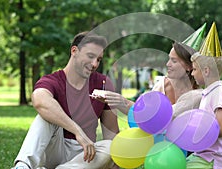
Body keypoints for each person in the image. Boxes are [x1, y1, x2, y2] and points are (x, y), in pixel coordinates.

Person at [12, 31, 119, 169]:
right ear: (74, 51)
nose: (94, 64)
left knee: (112, 147)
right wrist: (77, 131)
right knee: (45, 116)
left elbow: (112, 134)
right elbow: (39, 100)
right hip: (55, 147)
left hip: (85, 154)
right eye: (90, 56)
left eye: (98, 59)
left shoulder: (103, 83)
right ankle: (23, 166)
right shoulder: (52, 80)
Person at [102, 41, 203, 119]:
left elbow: (163, 116)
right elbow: (145, 114)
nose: (168, 64)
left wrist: (124, 102)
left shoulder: (198, 96)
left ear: (189, 66)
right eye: (169, 59)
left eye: (174, 61)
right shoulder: (162, 85)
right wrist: (121, 102)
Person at [187, 22, 222, 169]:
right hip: (204, 154)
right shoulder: (209, 93)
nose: (192, 73)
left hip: (214, 158)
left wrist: (199, 132)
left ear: (206, 71)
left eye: (195, 69)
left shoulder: (219, 95)